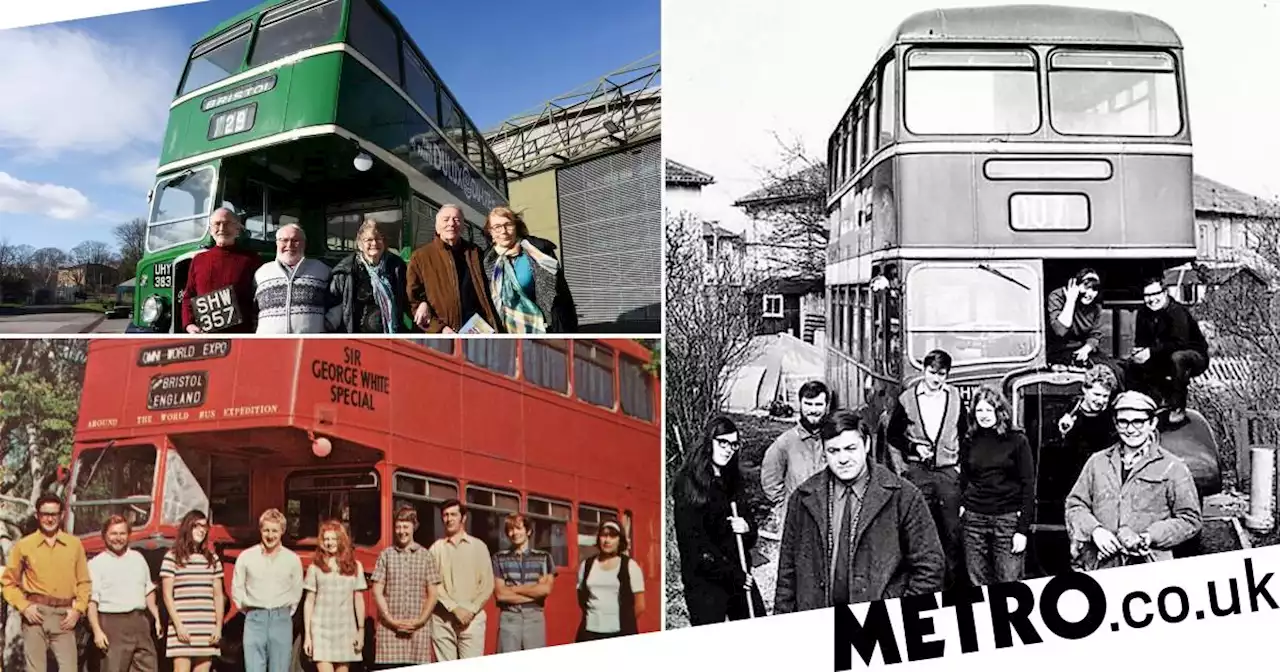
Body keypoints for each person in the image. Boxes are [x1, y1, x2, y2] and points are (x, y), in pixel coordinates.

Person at [775, 410, 944, 613]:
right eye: (834, 451)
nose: (843, 458)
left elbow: (930, 567)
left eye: (850, 448)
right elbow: (787, 574)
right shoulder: (803, 499)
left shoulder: (903, 496)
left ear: (866, 445)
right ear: (823, 452)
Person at [1064, 391, 1203, 571]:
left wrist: (1150, 536)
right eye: (1124, 422)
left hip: (1149, 569)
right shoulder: (1097, 462)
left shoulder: (1173, 467)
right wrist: (1095, 531)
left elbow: (1190, 520)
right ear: (1115, 423)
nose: (1130, 429)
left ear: (1152, 423)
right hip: (1099, 566)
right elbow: (1075, 506)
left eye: (1138, 421)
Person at [885, 349, 967, 591]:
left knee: (952, 533)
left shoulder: (955, 397)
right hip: (919, 473)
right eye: (932, 372)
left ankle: (951, 590)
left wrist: (959, 467)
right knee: (921, 531)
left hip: (948, 474)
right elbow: (893, 435)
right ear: (923, 370)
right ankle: (923, 588)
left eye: (942, 374)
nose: (936, 379)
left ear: (947, 375)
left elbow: (964, 433)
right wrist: (914, 447)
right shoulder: (907, 399)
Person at [673, 416, 766, 625]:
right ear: (709, 442)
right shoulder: (689, 484)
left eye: (733, 444)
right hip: (706, 581)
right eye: (722, 442)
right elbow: (695, 548)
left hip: (739, 573)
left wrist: (747, 527)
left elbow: (749, 533)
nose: (728, 449)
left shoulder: (732, 479)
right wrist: (735, 576)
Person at [0, 494, 92, 672]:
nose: (50, 519)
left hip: (65, 617)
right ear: (37, 515)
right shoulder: (24, 545)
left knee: (70, 668)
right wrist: (24, 606)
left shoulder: (74, 544)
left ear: (62, 515)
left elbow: (84, 582)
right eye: (45, 514)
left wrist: (78, 610)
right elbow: (9, 582)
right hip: (36, 615)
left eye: (54, 514)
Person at [958, 386, 1035, 587]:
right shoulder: (970, 439)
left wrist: (1022, 530)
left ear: (1000, 412)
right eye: (979, 410)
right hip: (974, 519)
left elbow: (1028, 484)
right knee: (977, 583)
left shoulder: (1017, 440)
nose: (984, 416)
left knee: (1009, 582)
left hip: (1007, 519)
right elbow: (965, 475)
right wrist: (963, 505)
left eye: (989, 410)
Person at [481, 206, 578, 333]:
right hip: (506, 331)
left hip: (542, 327)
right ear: (491, 232)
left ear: (516, 226)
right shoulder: (487, 260)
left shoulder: (539, 252)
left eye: (508, 225)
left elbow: (562, 295)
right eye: (497, 227)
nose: (503, 231)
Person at [1127, 276, 1210, 424]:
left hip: (1192, 356)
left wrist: (1151, 352)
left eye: (1155, 294)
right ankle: (1146, 403)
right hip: (1162, 355)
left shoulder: (1177, 312)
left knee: (1178, 358)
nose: (1151, 299)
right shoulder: (1143, 314)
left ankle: (1178, 406)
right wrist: (1138, 353)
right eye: (1147, 296)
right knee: (1132, 366)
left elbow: (1179, 343)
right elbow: (1141, 340)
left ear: (1164, 293)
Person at [407, 205, 500, 333]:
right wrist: (440, 329)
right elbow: (413, 300)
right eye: (446, 220)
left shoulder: (475, 252)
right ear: (437, 227)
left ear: (462, 226)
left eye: (456, 220)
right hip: (443, 332)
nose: (451, 224)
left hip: (477, 328)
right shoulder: (420, 256)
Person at [232, 509, 305, 672]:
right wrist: (250, 611)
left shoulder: (292, 559)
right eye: (266, 530)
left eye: (274, 531)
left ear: (282, 531)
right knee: (253, 668)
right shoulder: (246, 557)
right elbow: (237, 589)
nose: (270, 535)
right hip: (254, 618)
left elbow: (296, 591)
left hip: (281, 619)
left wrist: (284, 613)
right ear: (260, 530)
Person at [88, 516, 162, 672]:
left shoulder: (138, 558)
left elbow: (147, 590)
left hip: (140, 622)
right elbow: (92, 602)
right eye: (113, 534)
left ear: (128, 535)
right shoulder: (96, 564)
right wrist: (97, 631)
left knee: (148, 667)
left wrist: (156, 617)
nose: (118, 538)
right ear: (104, 536)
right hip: (112, 624)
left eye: (122, 533)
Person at [370, 506, 440, 669]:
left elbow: (433, 593)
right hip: (389, 632)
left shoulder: (425, 556)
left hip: (418, 632)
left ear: (414, 527)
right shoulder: (386, 555)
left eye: (405, 526)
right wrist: (390, 619)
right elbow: (377, 590)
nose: (401, 531)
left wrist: (420, 621)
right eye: (398, 527)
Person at [427, 499, 494, 660]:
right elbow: (433, 583)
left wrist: (470, 610)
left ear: (463, 518)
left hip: (472, 621)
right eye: (445, 515)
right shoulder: (436, 549)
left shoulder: (479, 547)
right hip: (443, 621)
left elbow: (487, 584)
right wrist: (454, 609)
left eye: (453, 515)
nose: (449, 519)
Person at [159, 510, 225, 672]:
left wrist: (218, 626)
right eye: (197, 526)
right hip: (182, 626)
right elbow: (167, 595)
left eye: (205, 527)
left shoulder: (212, 559)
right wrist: (178, 625)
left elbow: (218, 595)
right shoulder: (172, 557)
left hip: (206, 627)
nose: (202, 530)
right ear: (187, 527)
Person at [182, 208, 262, 334]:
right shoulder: (198, 260)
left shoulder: (251, 260)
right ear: (210, 229)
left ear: (237, 229)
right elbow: (189, 296)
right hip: (205, 337)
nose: (222, 228)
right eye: (217, 224)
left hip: (240, 336)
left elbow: (260, 298)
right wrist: (189, 324)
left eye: (227, 223)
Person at [760, 381, 831, 522]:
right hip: (798, 518)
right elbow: (770, 480)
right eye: (808, 404)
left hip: (829, 516)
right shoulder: (785, 442)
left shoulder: (834, 439)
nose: (813, 410)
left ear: (827, 406)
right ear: (800, 404)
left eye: (818, 404)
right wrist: (786, 504)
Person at [303, 520, 367, 672]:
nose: (329, 542)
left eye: (333, 539)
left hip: (346, 629)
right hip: (321, 630)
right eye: (326, 539)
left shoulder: (355, 566)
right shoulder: (315, 567)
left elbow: (358, 599)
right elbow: (309, 602)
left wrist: (361, 630)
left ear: (341, 540)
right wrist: (308, 635)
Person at [328, 219, 412, 333]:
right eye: (368, 240)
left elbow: (408, 299)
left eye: (378, 239)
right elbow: (333, 305)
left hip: (391, 335)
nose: (374, 243)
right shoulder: (346, 270)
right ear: (360, 244)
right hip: (357, 338)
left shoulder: (396, 266)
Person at [491, 513, 555, 652]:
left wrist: (513, 589)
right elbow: (501, 595)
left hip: (534, 618)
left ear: (528, 531)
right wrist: (534, 592)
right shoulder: (499, 558)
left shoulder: (544, 557)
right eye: (510, 529)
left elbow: (545, 590)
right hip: (509, 618)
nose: (514, 533)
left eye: (518, 528)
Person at [253, 224, 332, 334]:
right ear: (277, 243)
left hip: (310, 343)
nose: (289, 245)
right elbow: (250, 307)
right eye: (284, 240)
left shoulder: (322, 269)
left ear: (304, 244)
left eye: (295, 240)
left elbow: (340, 300)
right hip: (268, 344)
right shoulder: (261, 272)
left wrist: (329, 324)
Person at [576, 521, 645, 641]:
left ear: (620, 540)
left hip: (619, 632)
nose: (607, 540)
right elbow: (581, 599)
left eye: (613, 536)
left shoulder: (630, 566)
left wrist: (624, 623)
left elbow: (640, 605)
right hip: (589, 632)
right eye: (604, 535)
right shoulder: (586, 565)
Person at [1046, 269, 1106, 367]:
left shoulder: (1096, 307)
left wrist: (1086, 349)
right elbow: (1060, 331)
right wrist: (1071, 300)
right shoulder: (1057, 297)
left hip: (1084, 350)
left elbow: (1095, 335)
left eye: (1094, 289)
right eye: (1086, 287)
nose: (1090, 293)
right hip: (1060, 351)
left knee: (1114, 369)